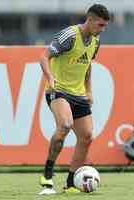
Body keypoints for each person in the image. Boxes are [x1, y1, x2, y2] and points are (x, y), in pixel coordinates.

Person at [38, 4, 110, 195]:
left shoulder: (95, 41)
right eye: (100, 25)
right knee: (65, 125)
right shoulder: (70, 36)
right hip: (58, 90)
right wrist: (50, 77)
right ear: (90, 20)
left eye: (105, 26)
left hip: (78, 94)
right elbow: (44, 57)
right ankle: (46, 175)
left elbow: (87, 65)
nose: (102, 30)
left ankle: (70, 184)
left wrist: (89, 90)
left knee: (86, 136)